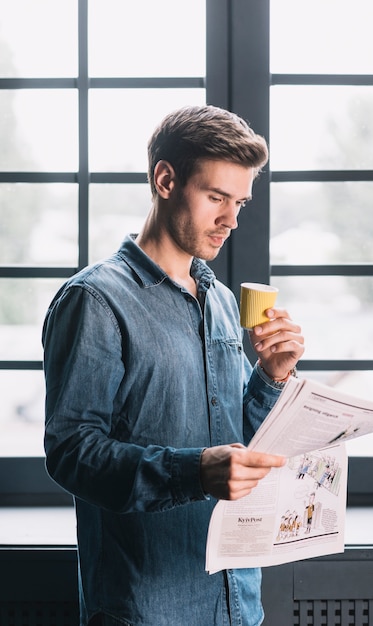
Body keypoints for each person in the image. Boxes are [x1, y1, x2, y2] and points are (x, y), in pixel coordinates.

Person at [42, 104, 305, 626]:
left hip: (237, 603)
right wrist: (194, 472)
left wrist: (272, 378)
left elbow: (237, 444)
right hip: (146, 608)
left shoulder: (224, 301)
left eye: (241, 202)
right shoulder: (94, 301)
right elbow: (71, 453)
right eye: (216, 198)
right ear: (165, 179)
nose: (231, 220)